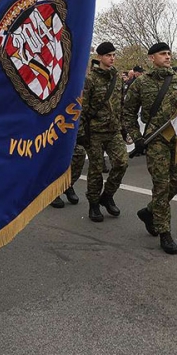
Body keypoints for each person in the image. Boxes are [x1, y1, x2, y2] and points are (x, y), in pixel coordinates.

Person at [125, 42, 177, 255]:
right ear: (151, 58)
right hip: (155, 140)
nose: (167, 57)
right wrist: (137, 138)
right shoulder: (141, 83)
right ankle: (164, 232)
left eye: (168, 53)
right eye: (162, 54)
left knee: (175, 184)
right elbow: (128, 112)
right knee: (161, 184)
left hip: (176, 138)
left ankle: (149, 212)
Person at [78, 42, 128, 222]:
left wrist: (123, 128)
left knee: (122, 163)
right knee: (96, 170)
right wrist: (82, 133)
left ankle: (107, 196)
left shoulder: (117, 77)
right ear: (100, 57)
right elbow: (82, 108)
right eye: (108, 55)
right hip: (95, 133)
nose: (112, 58)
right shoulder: (90, 79)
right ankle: (93, 204)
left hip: (113, 131)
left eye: (114, 55)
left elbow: (120, 104)